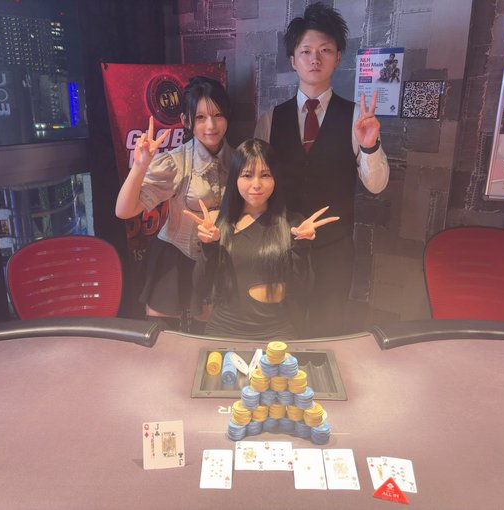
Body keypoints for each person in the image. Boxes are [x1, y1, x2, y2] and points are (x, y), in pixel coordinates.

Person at [254, 3, 389, 337]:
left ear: (338, 57)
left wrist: (370, 145)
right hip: (282, 245)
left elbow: (376, 186)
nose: (315, 59)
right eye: (306, 51)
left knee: (328, 330)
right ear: (293, 60)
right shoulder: (270, 119)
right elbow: (256, 187)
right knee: (281, 330)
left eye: (325, 50)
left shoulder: (357, 117)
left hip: (335, 248)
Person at [184, 138, 338, 340]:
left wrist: (302, 246)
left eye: (265, 175)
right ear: (235, 178)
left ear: (275, 179)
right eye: (247, 175)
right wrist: (208, 246)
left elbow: (303, 292)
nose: (256, 184)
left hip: (277, 332)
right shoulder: (217, 225)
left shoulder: (293, 224)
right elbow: (201, 287)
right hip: (224, 330)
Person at [115, 76, 232, 331]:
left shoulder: (238, 161)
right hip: (173, 258)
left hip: (215, 259)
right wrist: (139, 166)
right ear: (186, 121)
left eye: (218, 115)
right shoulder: (175, 162)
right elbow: (124, 211)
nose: (211, 125)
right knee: (164, 340)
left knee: (207, 339)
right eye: (200, 117)